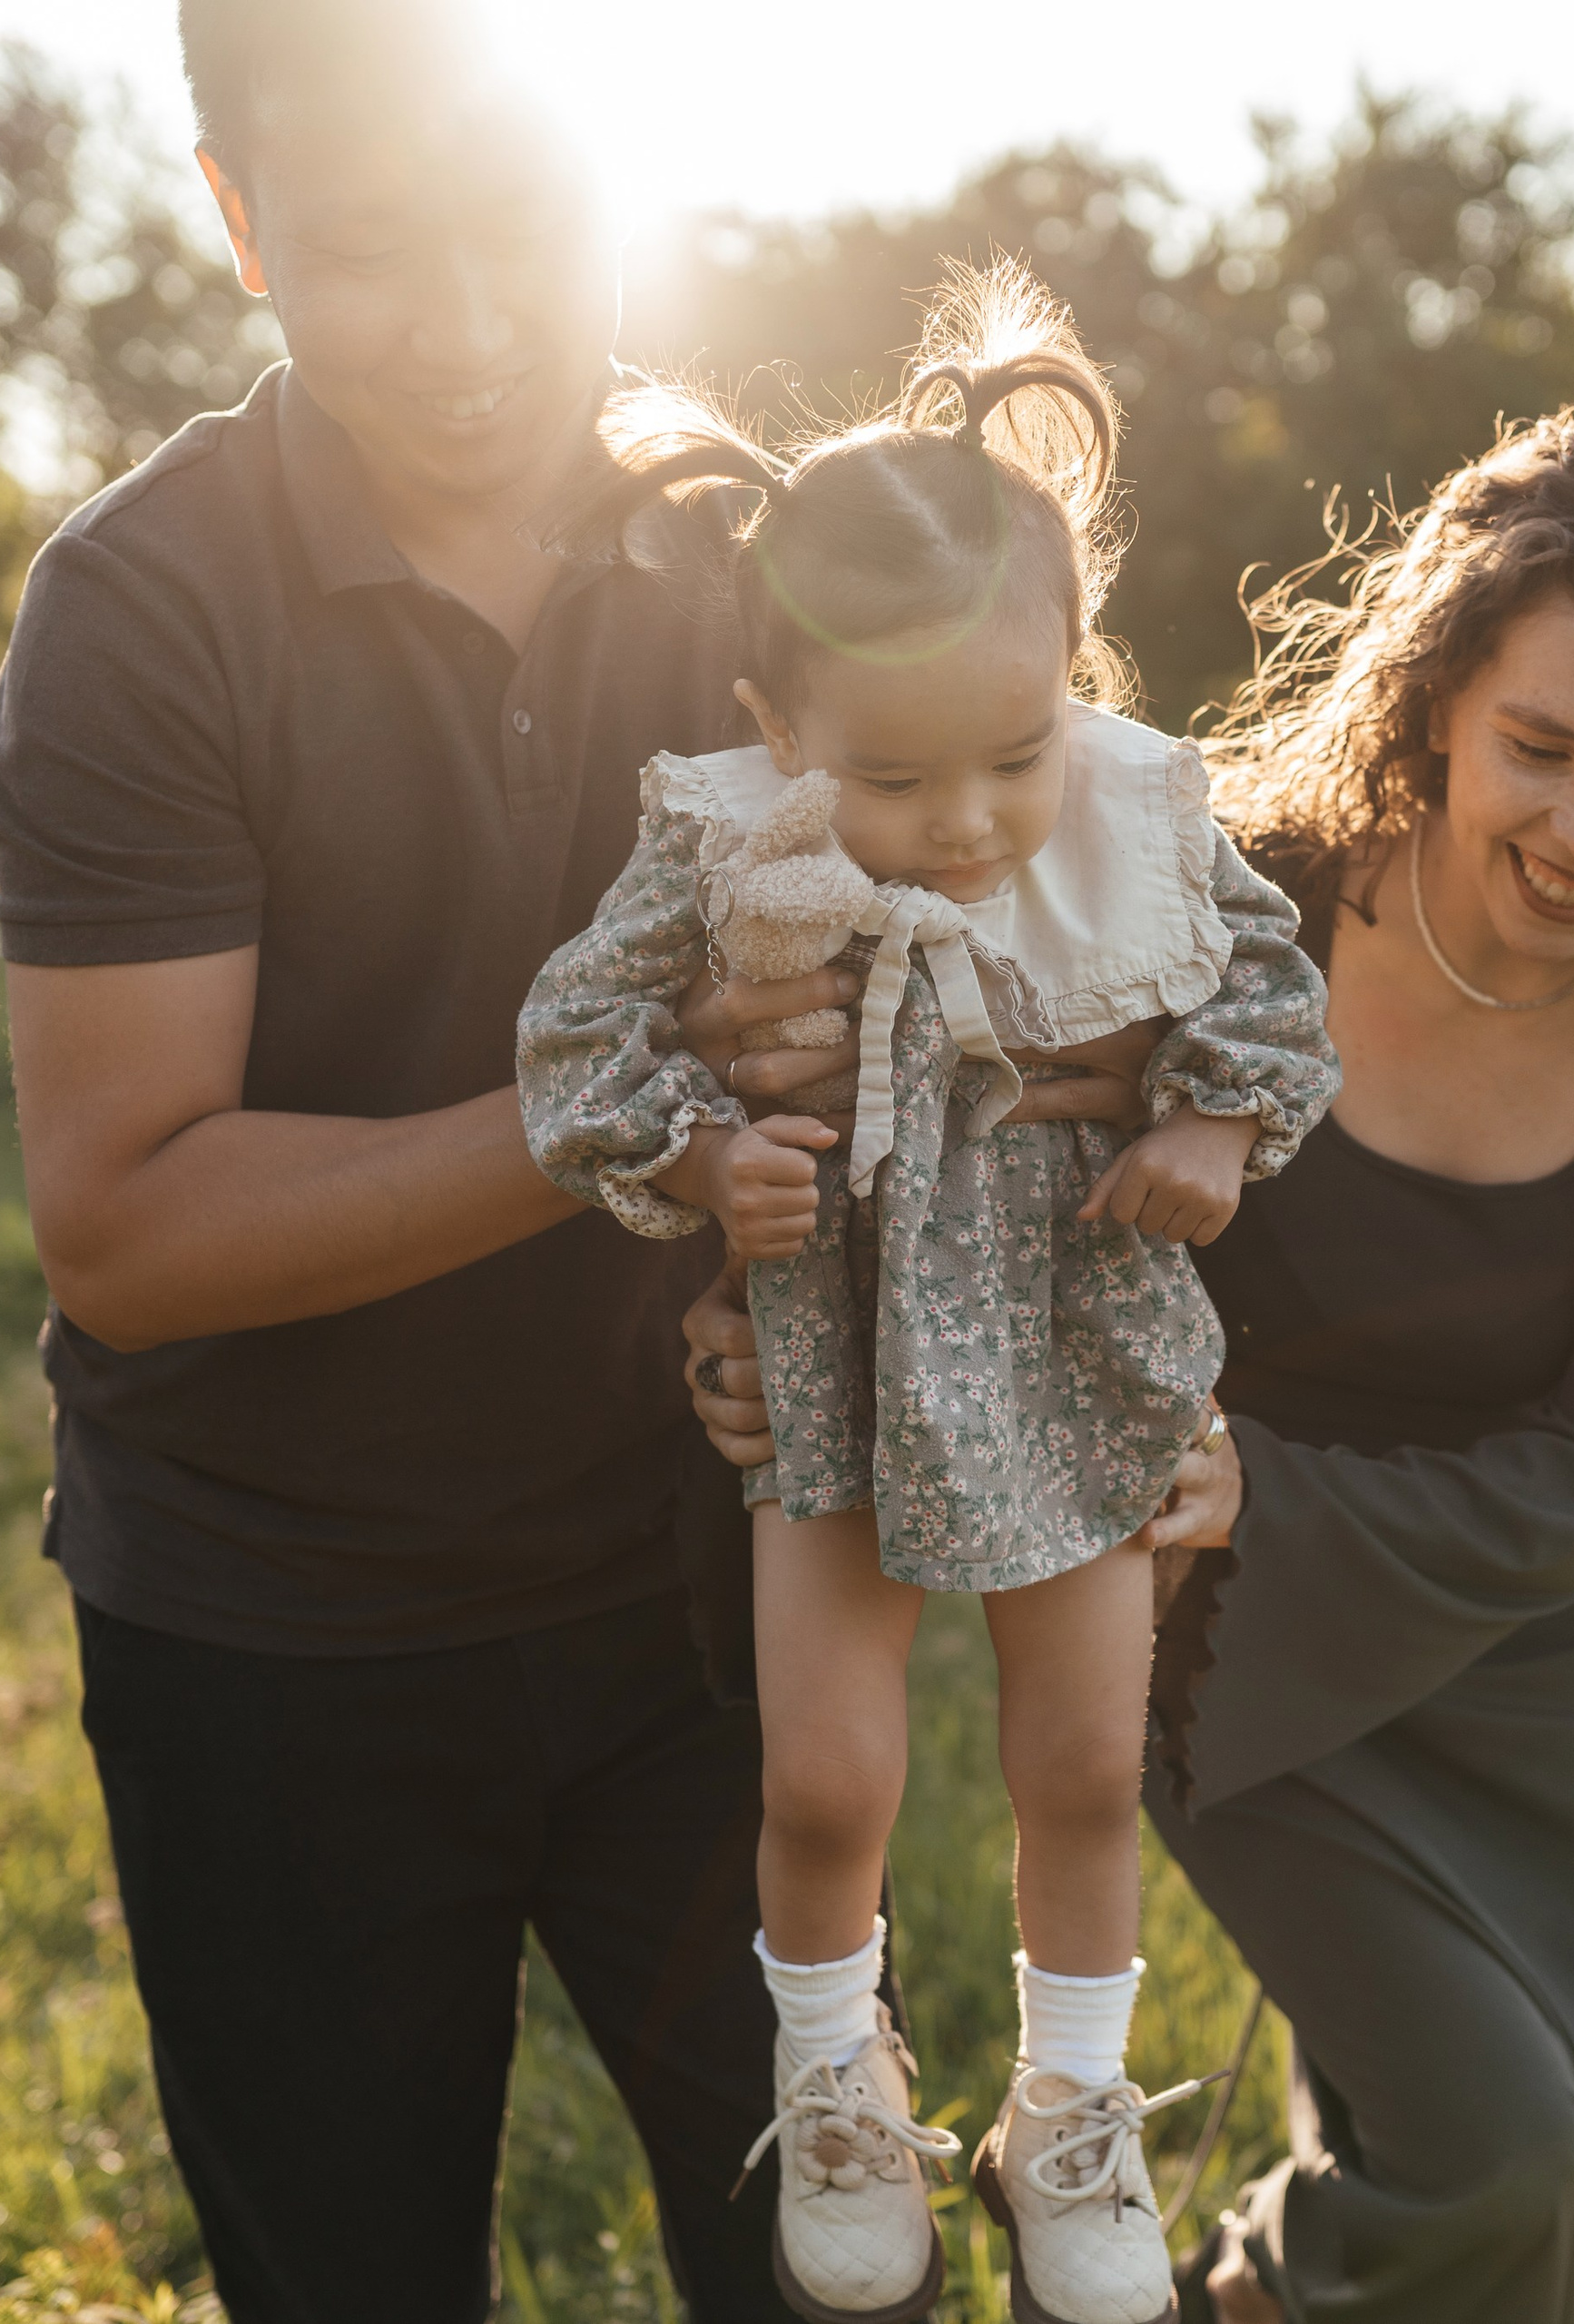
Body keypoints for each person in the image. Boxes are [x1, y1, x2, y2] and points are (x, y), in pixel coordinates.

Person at [0, 4, 1125, 2316]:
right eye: (370, 251)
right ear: (237, 222)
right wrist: (628, 1122)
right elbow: (125, 1227)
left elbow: (1020, 971)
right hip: (277, 1623)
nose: (478, 327)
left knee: (846, 2280)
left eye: (525, 226)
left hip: (695, 1593)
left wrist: (1098, 1376)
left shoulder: (753, 562)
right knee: (357, 2272)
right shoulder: (134, 611)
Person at [687, 405, 1574, 2323]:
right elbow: (898, 1108)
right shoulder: (1203, 902)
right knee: (1492, 2151)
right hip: (1204, 1607)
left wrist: (1287, 1486)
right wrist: (742, 1314)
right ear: (1437, 701)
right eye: (1539, 747)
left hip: (1528, 1622)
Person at [517, 270, 1339, 2324]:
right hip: (831, 1363)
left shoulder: (1139, 817)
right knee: (828, 1775)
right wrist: (709, 1156)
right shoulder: (725, 850)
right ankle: (838, 2078)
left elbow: (1270, 993)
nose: (964, 823)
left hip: (1070, 1343)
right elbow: (570, 1047)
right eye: (892, 779)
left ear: (1072, 677)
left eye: (1010, 750)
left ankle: (1066, 2107)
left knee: (1077, 1757)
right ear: (777, 729)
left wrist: (1215, 1134)